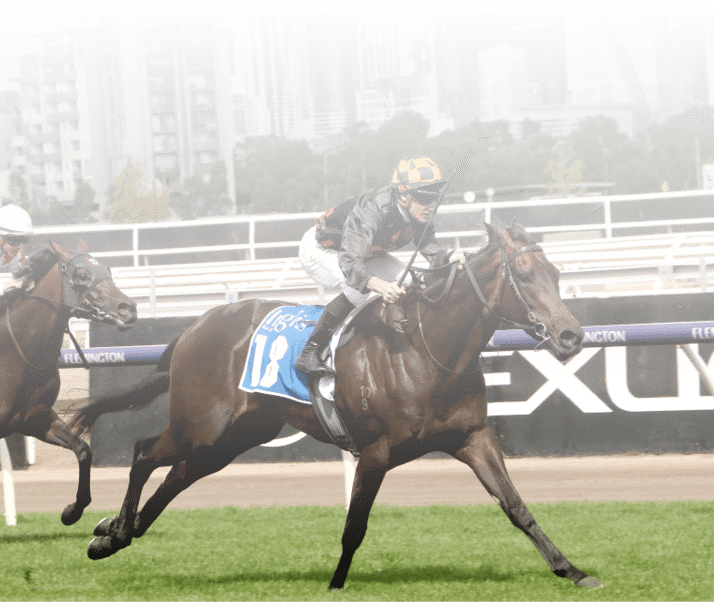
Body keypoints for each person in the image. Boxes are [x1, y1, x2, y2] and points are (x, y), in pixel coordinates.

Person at [295, 156, 464, 378]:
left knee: (408, 279)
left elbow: (432, 252)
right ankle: (310, 351)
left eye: (435, 196)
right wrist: (382, 287)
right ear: (403, 195)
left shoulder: (419, 211)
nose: (431, 205)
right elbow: (350, 263)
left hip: (365, 253)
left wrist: (453, 263)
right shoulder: (371, 209)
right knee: (359, 290)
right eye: (425, 197)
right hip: (322, 251)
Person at [0, 204, 34, 292]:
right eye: (14, 240)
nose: (19, 246)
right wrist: (6, 286)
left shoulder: (15, 250)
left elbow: (19, 275)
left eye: (24, 240)